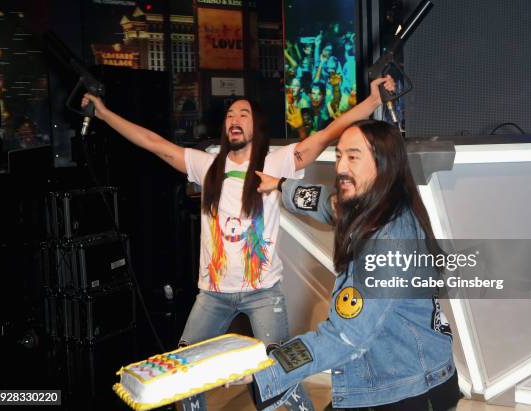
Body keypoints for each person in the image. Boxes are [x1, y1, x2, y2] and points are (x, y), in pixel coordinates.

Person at [81, 76, 396, 411]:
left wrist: (373, 100)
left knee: (275, 379)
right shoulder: (208, 166)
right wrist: (103, 114)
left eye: (243, 114)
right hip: (213, 295)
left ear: (256, 125)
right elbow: (153, 143)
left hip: (262, 292)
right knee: (182, 379)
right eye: (230, 114)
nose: (234, 119)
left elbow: (328, 133)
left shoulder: (275, 161)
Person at [245, 120, 461, 410]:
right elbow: (327, 204)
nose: (341, 167)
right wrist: (281, 186)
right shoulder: (376, 203)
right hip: (402, 376)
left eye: (353, 157)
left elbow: (345, 336)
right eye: (338, 156)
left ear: (384, 164)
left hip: (410, 391)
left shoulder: (387, 239)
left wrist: (270, 369)